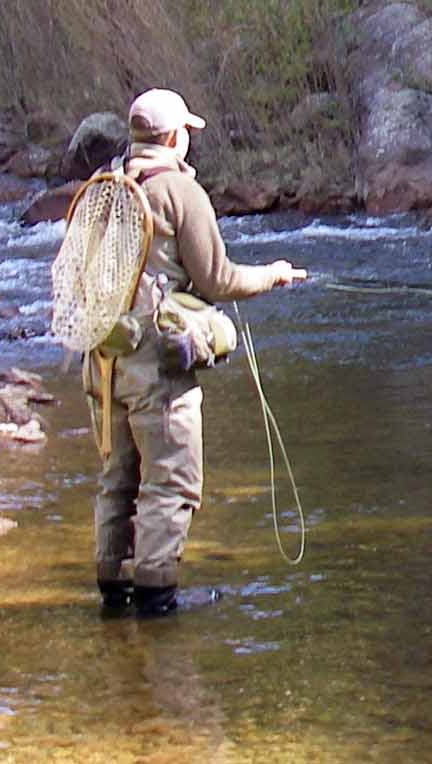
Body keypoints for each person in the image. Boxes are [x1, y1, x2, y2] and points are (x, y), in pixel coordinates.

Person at [86, 88, 306, 618]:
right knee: (171, 483)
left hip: (101, 361)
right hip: (155, 367)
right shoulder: (179, 193)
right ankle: (157, 599)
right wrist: (274, 275)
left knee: (117, 481)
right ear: (174, 137)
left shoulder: (105, 187)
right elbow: (219, 279)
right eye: (187, 132)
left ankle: (114, 596)